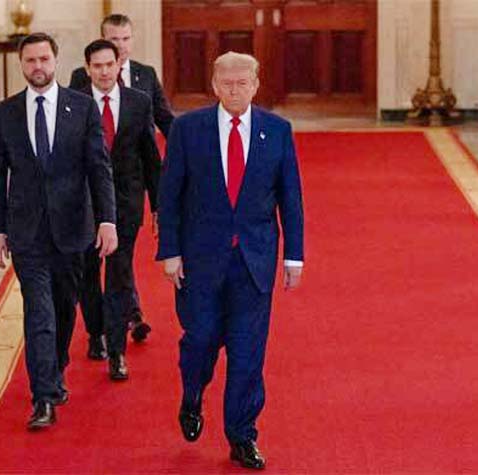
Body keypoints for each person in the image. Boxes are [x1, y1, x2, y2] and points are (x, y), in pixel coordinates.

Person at [156, 51, 304, 470]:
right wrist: (170, 251)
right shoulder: (188, 129)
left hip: (254, 261)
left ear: (255, 85)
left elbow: (290, 197)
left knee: (247, 352)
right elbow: (170, 195)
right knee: (200, 338)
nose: (235, 90)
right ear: (214, 85)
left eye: (243, 83)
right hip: (200, 259)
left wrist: (294, 256)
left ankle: (242, 435)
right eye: (227, 83)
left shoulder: (277, 131)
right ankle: (193, 393)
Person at [0, 32, 117, 430]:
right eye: (30, 60)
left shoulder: (82, 107)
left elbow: (98, 167)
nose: (38, 67)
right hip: (26, 232)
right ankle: (43, 396)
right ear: (21, 65)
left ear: (55, 61)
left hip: (73, 228)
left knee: (63, 308)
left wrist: (107, 220)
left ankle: (55, 366)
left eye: (44, 59)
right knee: (38, 312)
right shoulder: (5, 113)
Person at [77, 39, 161, 380]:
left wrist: (158, 206)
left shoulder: (138, 103)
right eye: (97, 66)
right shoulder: (74, 104)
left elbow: (150, 157)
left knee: (119, 273)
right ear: (87, 69)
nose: (104, 72)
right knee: (87, 273)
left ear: (118, 65)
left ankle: (117, 352)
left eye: (109, 65)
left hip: (126, 203)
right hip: (84, 205)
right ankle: (95, 332)